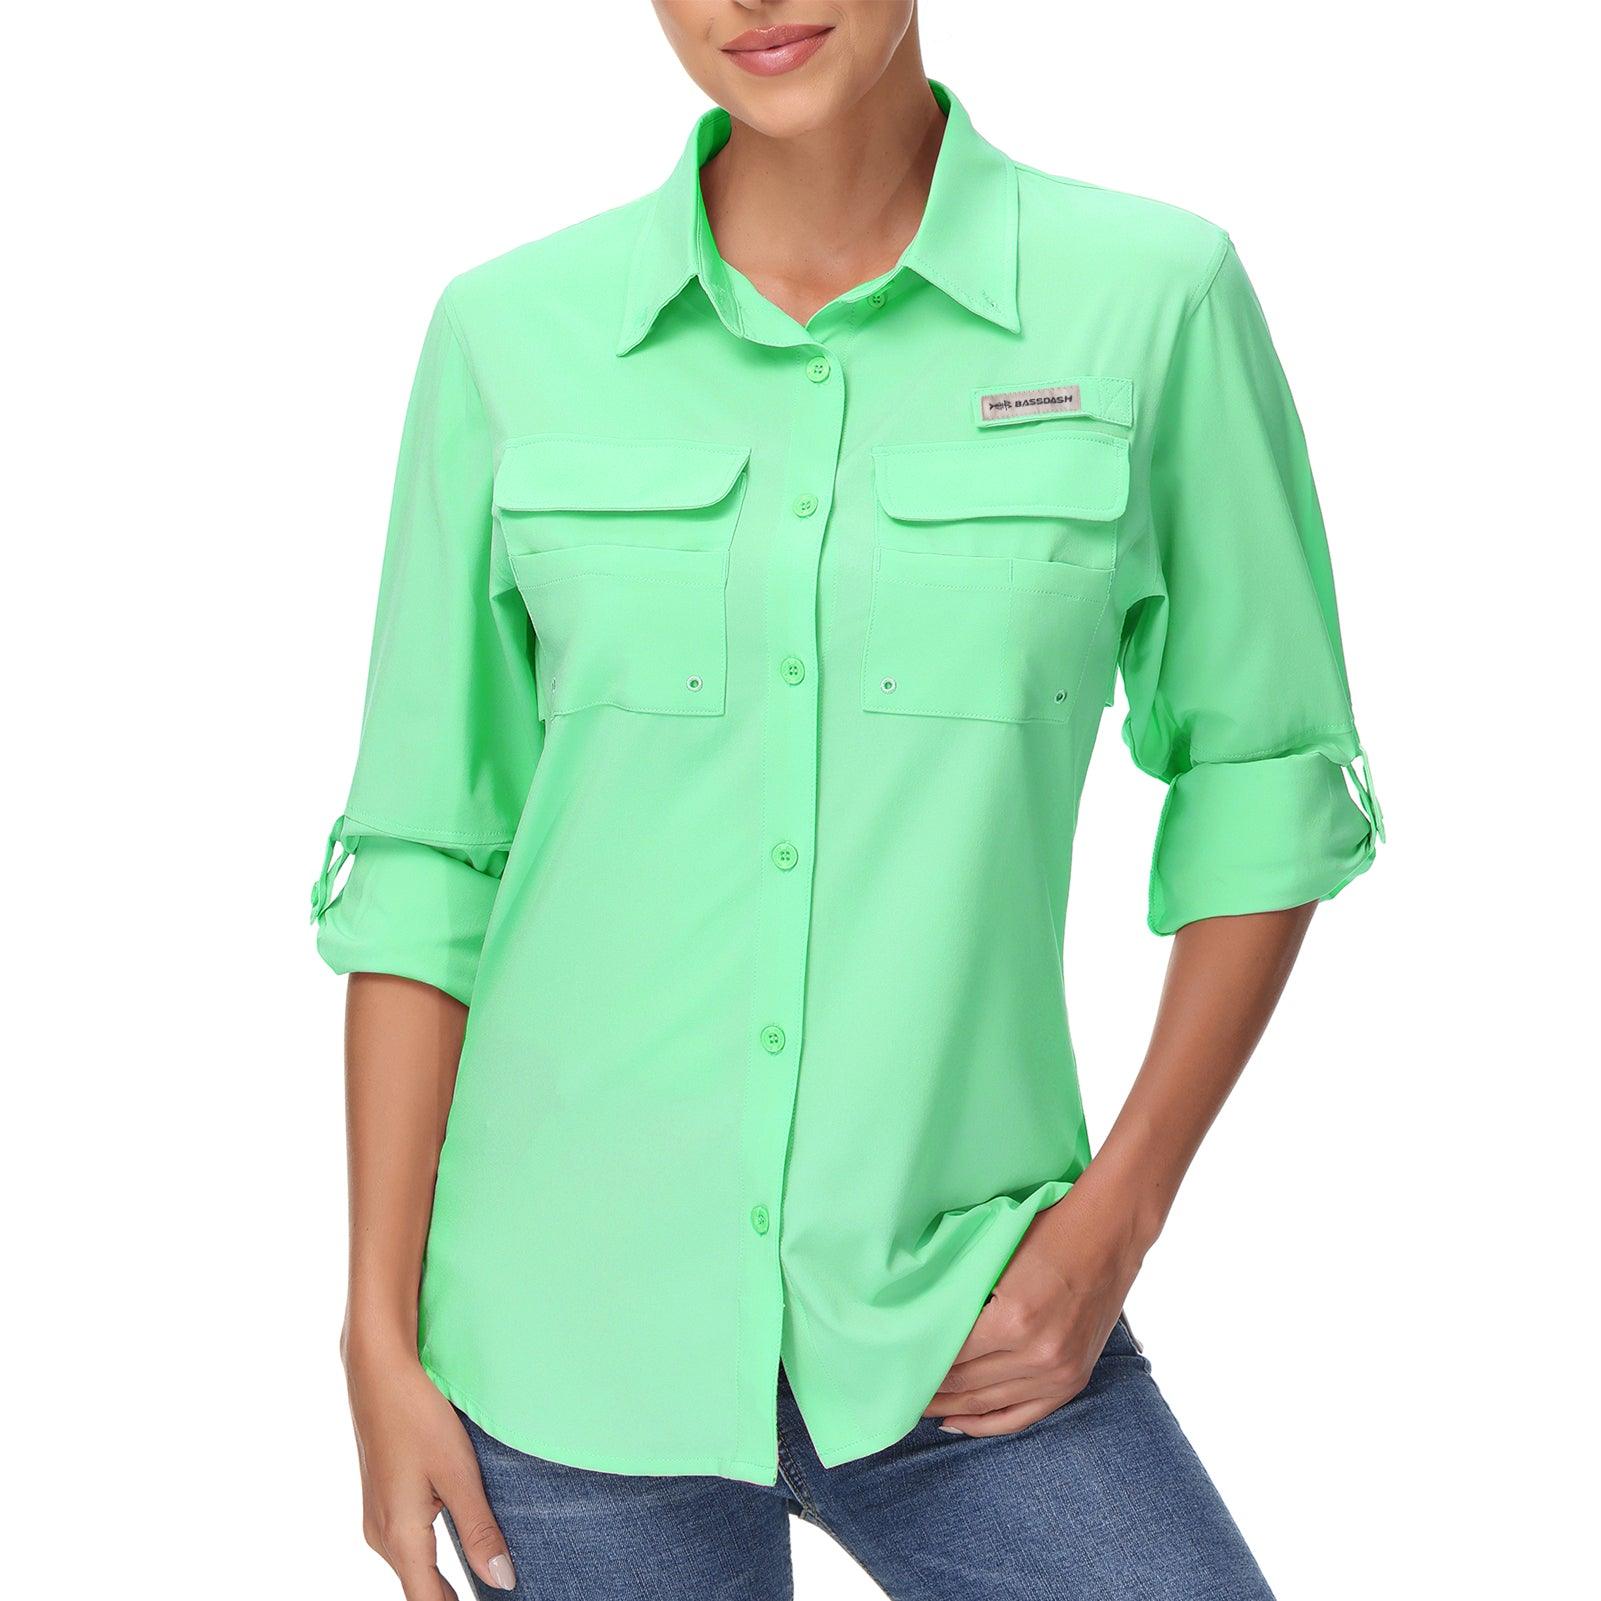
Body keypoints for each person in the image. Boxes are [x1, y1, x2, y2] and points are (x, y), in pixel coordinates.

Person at [310, 4, 1382, 1596]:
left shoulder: (1148, 300)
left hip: (963, 1309)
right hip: (559, 1340)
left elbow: (1261, 776)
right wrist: (376, 1335)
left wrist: (1117, 1218)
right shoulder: (508, 333)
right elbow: (428, 859)